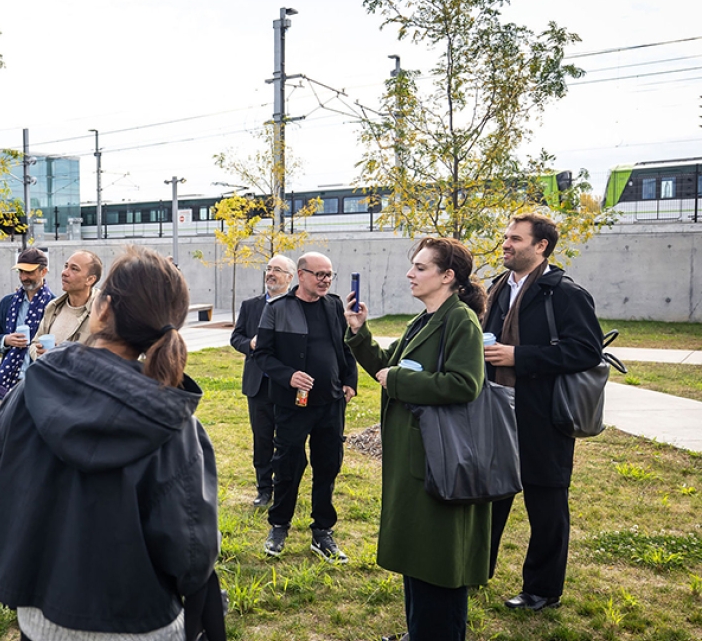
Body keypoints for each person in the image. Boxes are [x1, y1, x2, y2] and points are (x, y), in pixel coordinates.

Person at [0, 246, 221, 641]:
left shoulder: (28, 392)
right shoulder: (175, 424)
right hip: (142, 620)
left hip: (41, 617)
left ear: (102, 308)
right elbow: (191, 555)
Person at [345, 237, 492, 641]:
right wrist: (359, 332)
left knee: (438, 562)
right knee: (418, 558)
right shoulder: (424, 321)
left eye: (421, 267)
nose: (410, 274)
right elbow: (385, 367)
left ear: (447, 276)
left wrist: (399, 380)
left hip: (441, 458)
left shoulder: (460, 320)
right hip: (416, 458)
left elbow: (465, 383)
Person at [483, 213, 603, 611]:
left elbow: (586, 351)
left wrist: (519, 356)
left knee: (547, 505)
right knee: (489, 496)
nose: (506, 244)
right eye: (506, 237)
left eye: (515, 239)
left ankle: (542, 589)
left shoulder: (564, 293)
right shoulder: (496, 288)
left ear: (541, 246)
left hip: (544, 416)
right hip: (496, 409)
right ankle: (475, 569)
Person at [252, 251, 357, 563]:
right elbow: (263, 354)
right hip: (292, 405)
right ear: (301, 275)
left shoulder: (334, 305)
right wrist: (288, 376)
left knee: (328, 466)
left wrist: (350, 380)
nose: (325, 280)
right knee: (287, 466)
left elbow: (345, 346)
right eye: (319, 274)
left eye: (329, 275)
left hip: (331, 403)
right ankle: (279, 525)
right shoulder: (277, 308)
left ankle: (322, 532)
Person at [230, 254, 295, 507]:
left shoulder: (297, 306)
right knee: (262, 439)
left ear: (290, 277)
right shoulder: (250, 306)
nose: (271, 273)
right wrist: (250, 344)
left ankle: (285, 487)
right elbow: (236, 338)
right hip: (258, 385)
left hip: (286, 384)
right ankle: (264, 489)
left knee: (287, 439)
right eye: (269, 268)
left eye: (277, 270)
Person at [0, 248, 54, 399]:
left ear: (43, 272)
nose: (23, 277)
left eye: (29, 272)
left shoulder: (54, 305)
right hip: (9, 383)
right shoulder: (7, 303)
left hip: (41, 385)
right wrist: (6, 340)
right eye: (21, 272)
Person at [30, 250, 102, 359]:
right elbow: (34, 343)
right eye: (66, 266)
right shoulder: (53, 307)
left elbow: (107, 359)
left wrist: (63, 359)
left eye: (74, 269)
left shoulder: (103, 312)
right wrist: (40, 355)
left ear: (90, 279)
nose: (64, 273)